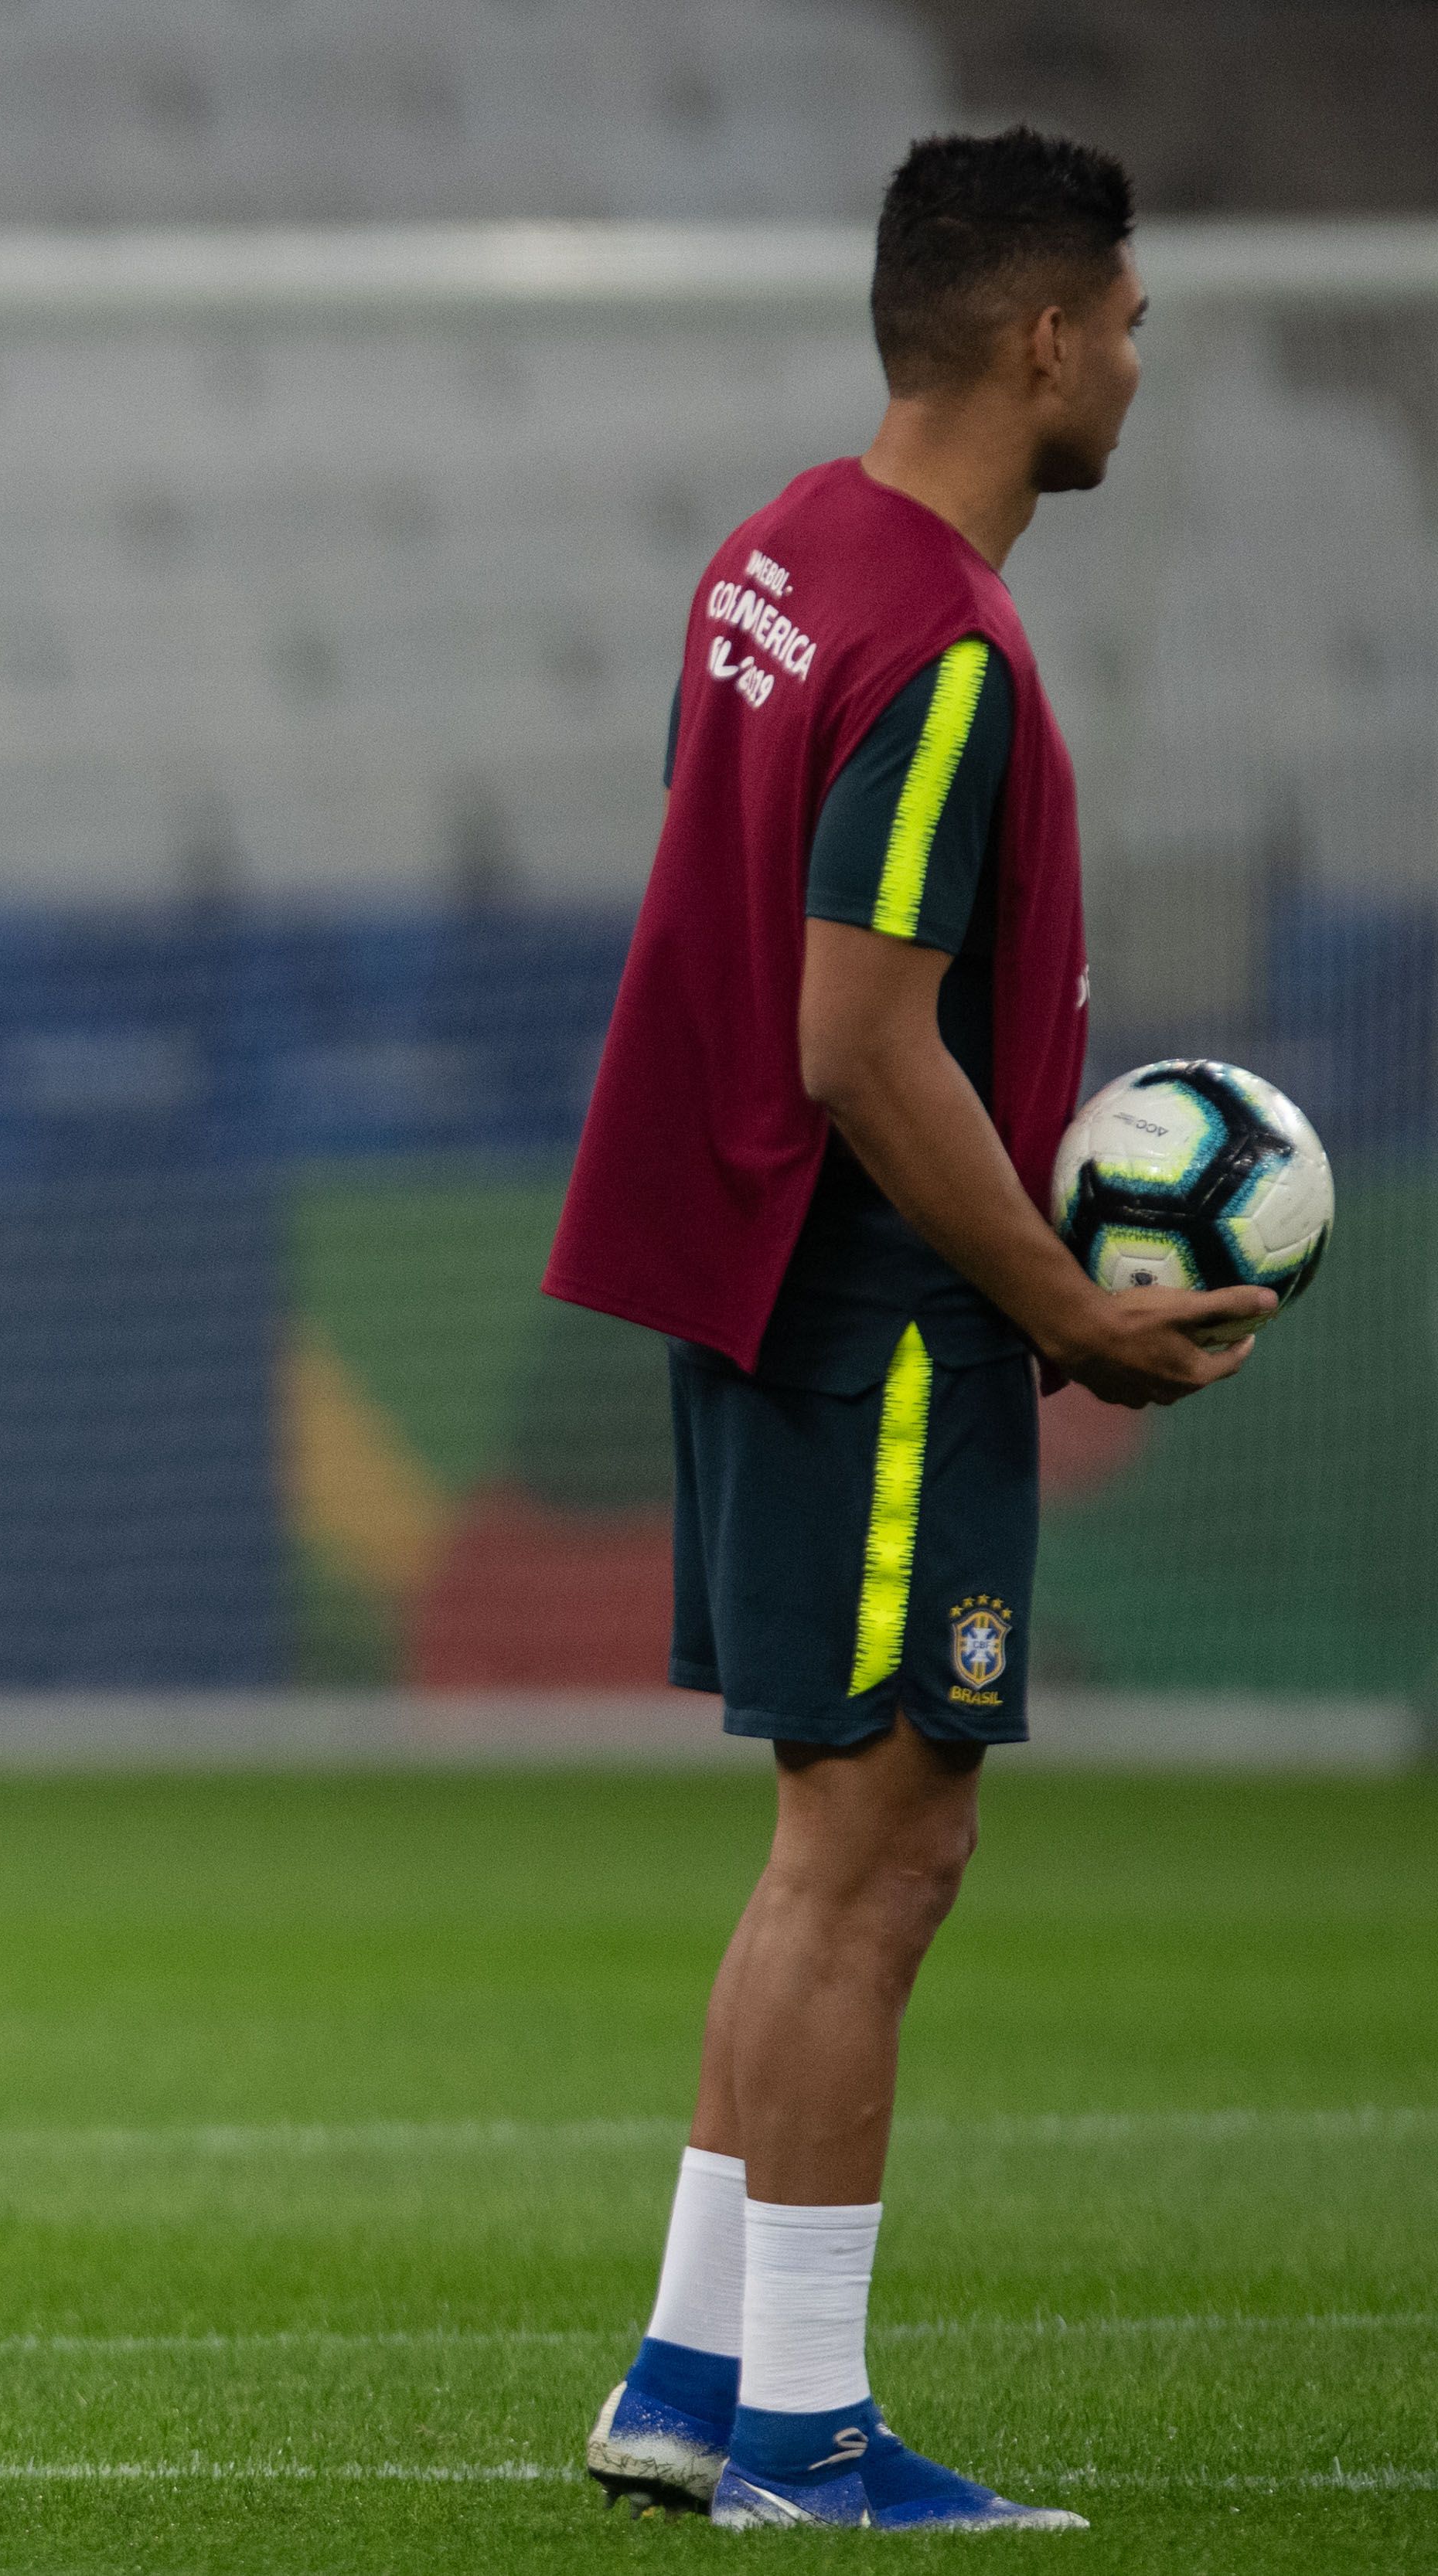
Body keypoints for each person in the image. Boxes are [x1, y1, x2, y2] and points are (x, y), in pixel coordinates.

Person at [544, 132, 1268, 2532]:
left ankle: (683, 2380)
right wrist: (1071, 1307)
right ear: (1046, 338)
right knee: (885, 1854)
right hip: (871, 1314)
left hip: (740, 1259)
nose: (1141, 370)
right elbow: (867, 1039)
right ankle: (812, 2440)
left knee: (824, 1849)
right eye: (1135, 328)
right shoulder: (940, 641)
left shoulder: (779, 550)